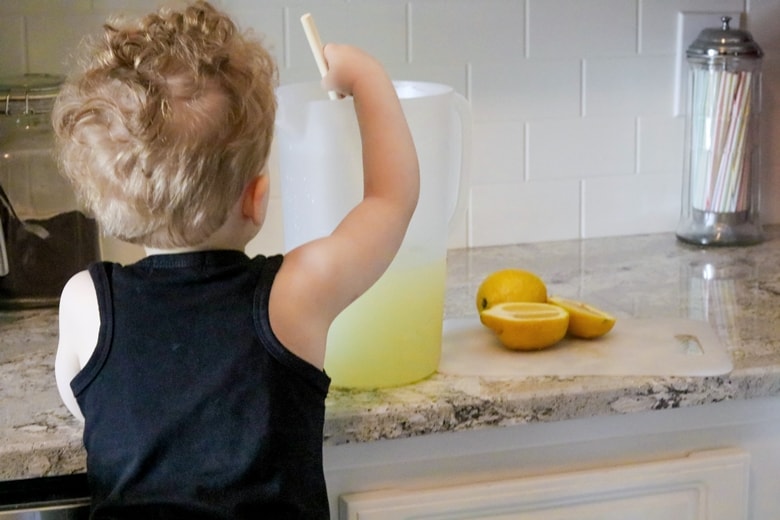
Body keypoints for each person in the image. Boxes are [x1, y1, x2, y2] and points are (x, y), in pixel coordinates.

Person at [51, 1, 419, 518]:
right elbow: (390, 201)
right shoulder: (294, 295)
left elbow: (83, 403)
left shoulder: (86, 302)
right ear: (256, 197)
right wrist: (367, 76)